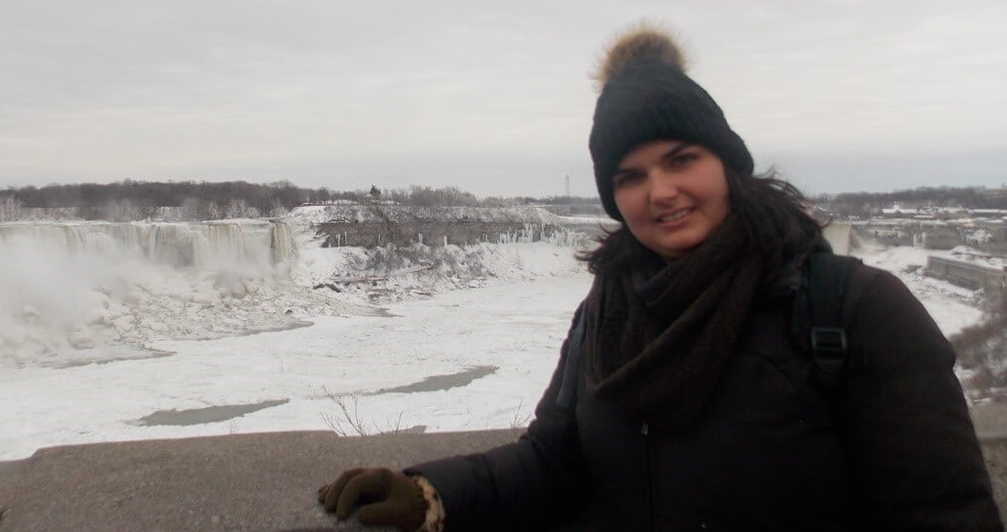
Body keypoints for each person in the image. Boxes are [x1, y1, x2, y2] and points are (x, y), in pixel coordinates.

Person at [316, 25, 1002, 532]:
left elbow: (942, 513)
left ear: (728, 163)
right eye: (631, 176)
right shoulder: (608, 307)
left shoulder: (852, 309)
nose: (662, 191)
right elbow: (555, 462)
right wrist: (429, 494)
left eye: (682, 159)